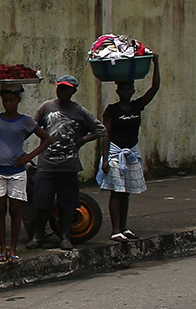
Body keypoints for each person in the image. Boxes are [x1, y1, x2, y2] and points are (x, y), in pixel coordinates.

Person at [31, 76, 106, 249]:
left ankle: (65, 236)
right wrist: (43, 140)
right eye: (60, 88)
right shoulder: (46, 107)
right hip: (46, 163)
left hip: (68, 164)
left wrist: (83, 139)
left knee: (67, 202)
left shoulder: (79, 111)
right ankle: (38, 235)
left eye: (66, 89)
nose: (62, 92)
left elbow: (100, 130)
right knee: (42, 201)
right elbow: (32, 126)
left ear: (73, 91)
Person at [0, 84, 41, 262]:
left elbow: (47, 138)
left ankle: (13, 248)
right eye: (5, 101)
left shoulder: (25, 121)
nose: (8, 104)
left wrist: (29, 156)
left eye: (11, 101)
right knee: (0, 209)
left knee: (15, 210)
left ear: (18, 100)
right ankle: (2, 248)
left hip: (17, 172)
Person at [98, 57, 161, 241]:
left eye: (129, 89)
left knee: (126, 193)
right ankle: (115, 229)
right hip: (116, 153)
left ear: (133, 90)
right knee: (116, 192)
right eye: (123, 89)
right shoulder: (112, 110)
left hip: (131, 153)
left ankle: (124, 228)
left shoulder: (137, 106)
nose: (126, 92)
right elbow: (106, 134)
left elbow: (154, 88)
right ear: (118, 91)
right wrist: (105, 159)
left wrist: (156, 63)